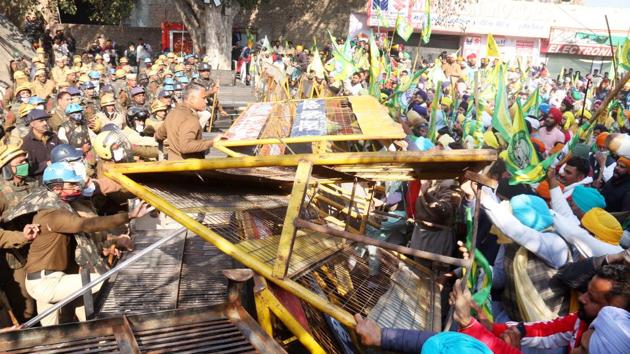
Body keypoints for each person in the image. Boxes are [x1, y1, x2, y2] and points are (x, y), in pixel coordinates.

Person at [14, 162, 153, 326]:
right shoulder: (52, 213)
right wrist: (128, 216)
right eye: (71, 184)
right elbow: (85, 224)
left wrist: (111, 242)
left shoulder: (60, 206)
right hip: (46, 283)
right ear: (57, 187)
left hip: (49, 279)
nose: (76, 187)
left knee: (55, 337)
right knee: (104, 281)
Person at [155, 83, 221, 160]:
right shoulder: (191, 118)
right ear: (192, 100)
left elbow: (158, 136)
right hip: (188, 168)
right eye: (204, 98)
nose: (206, 101)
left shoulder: (172, 114)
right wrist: (212, 142)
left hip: (173, 165)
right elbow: (185, 147)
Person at [21, 109, 61, 180]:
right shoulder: (25, 143)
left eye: (46, 120)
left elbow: (62, 150)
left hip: (59, 173)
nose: (45, 123)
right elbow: (25, 170)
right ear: (32, 124)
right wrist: (46, 164)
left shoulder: (53, 136)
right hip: (41, 180)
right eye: (41, 121)